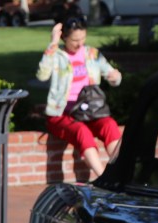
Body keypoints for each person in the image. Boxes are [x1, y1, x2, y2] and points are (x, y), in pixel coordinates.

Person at [36, 17, 122, 178]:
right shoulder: (57, 55)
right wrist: (53, 43)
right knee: (82, 131)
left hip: (90, 111)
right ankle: (103, 178)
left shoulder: (91, 53)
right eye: (75, 40)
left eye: (83, 38)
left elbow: (114, 77)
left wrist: (115, 77)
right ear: (64, 37)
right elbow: (42, 75)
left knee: (109, 125)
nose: (80, 44)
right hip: (62, 113)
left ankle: (122, 173)